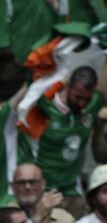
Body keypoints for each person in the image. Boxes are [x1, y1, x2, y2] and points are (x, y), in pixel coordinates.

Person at [22, 65, 106, 211]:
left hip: (73, 191)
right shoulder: (44, 107)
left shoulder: (95, 103)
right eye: (78, 97)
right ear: (67, 87)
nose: (82, 103)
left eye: (87, 99)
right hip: (45, 192)